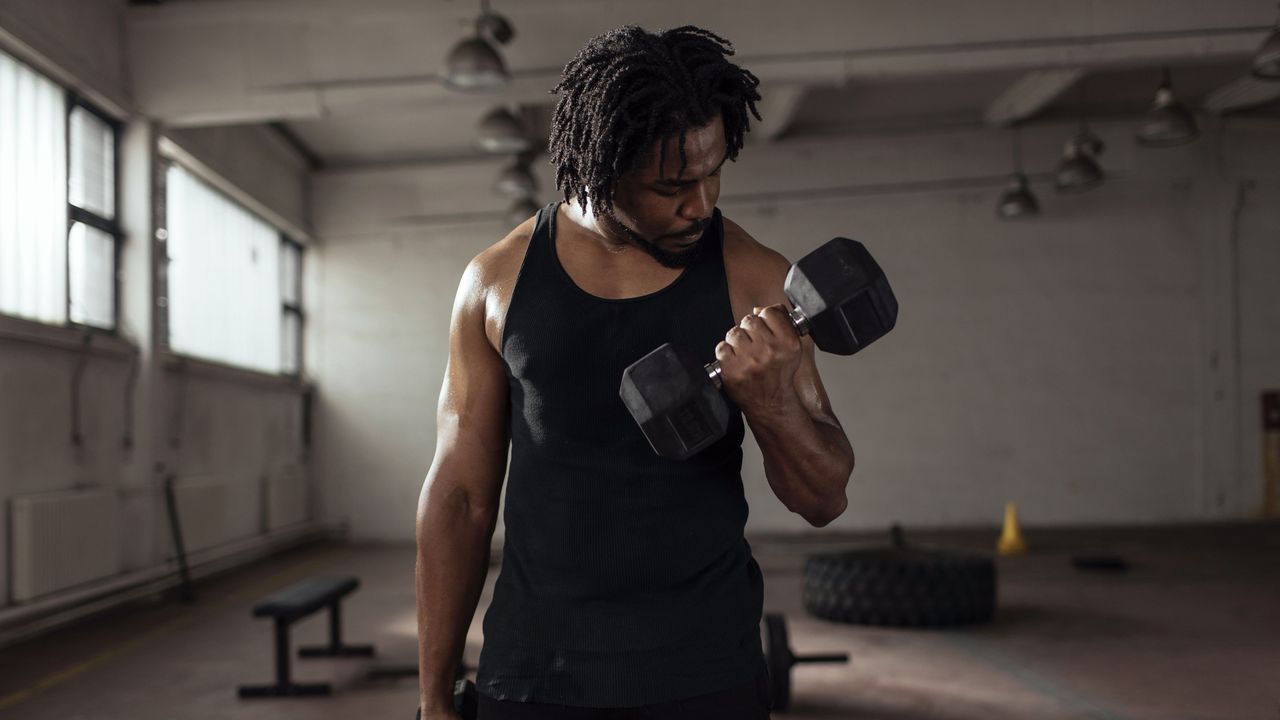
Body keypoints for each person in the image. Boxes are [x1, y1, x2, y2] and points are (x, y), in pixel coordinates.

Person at [416, 25, 854, 720]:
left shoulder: (756, 279)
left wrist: (771, 403)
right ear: (600, 166)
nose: (701, 204)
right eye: (672, 185)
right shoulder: (496, 283)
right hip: (534, 671)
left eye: (715, 173)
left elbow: (825, 498)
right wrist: (435, 696)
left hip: (705, 672)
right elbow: (460, 498)